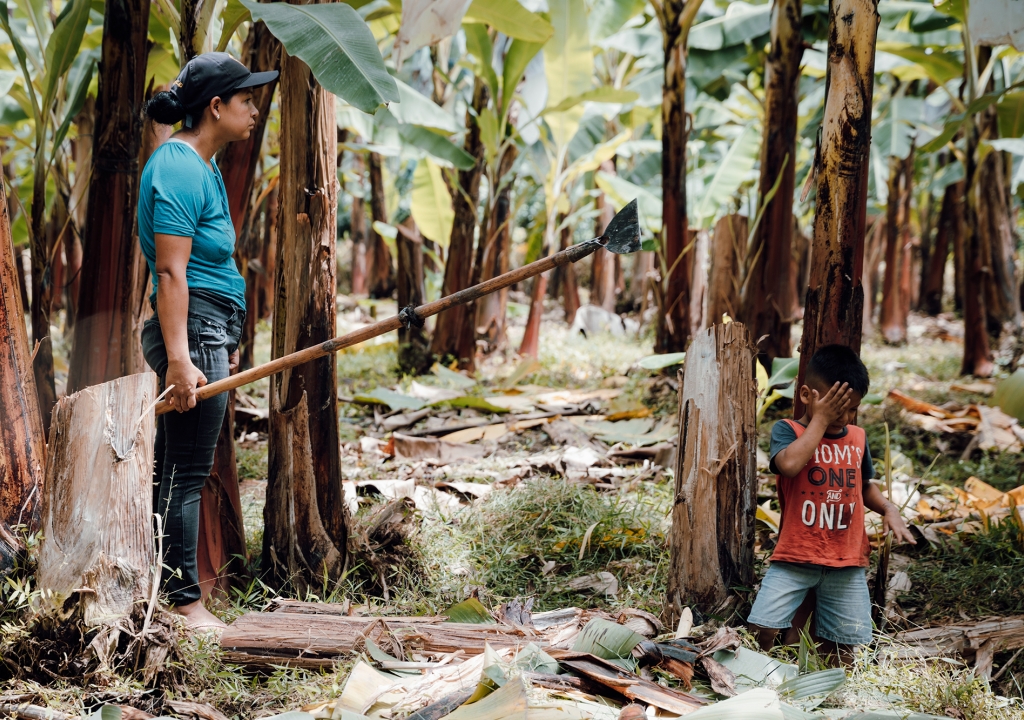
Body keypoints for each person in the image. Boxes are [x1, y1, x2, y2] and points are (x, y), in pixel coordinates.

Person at [138, 53, 278, 630]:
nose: (253, 108)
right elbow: (171, 272)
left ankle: (155, 588)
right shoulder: (178, 164)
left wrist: (224, 339)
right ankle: (184, 605)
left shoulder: (203, 165)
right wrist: (181, 359)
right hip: (191, 330)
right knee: (185, 473)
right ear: (215, 107)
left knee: (174, 469)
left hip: (206, 329)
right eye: (245, 100)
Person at [747, 344, 916, 662]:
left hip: (847, 561)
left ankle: (835, 696)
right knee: (763, 626)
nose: (845, 417)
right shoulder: (789, 430)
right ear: (807, 395)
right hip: (795, 556)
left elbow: (864, 486)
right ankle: (755, 677)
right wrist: (820, 421)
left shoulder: (858, 437)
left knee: (844, 641)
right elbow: (789, 465)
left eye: (852, 409)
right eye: (836, 408)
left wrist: (889, 509)